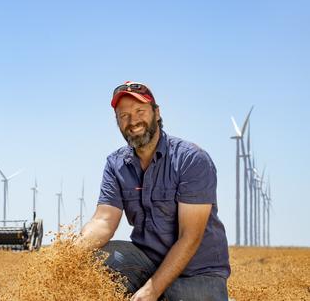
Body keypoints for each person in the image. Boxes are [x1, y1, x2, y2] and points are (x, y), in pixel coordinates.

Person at [77, 81, 230, 301]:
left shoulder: (191, 159)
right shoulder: (115, 164)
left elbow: (190, 236)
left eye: (140, 111)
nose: (133, 121)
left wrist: (152, 290)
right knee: (97, 258)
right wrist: (67, 254)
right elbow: (103, 220)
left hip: (196, 271)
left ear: (156, 113)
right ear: (117, 122)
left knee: (175, 296)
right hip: (147, 263)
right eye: (124, 116)